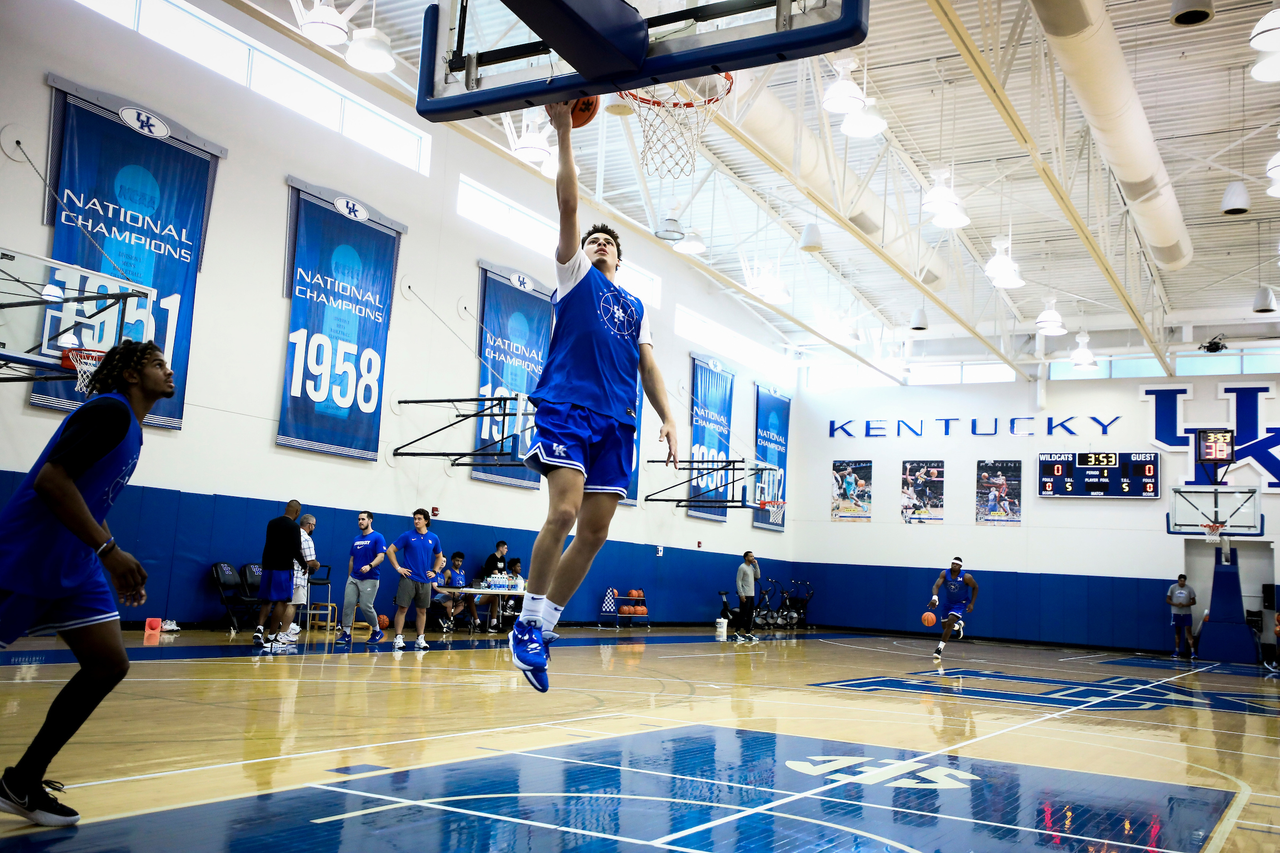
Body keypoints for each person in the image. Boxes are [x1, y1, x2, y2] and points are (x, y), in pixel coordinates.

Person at [509, 100, 677, 693]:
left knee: (597, 531)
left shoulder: (635, 307)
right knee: (562, 513)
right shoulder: (574, 275)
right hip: (569, 407)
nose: (600, 243)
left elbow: (648, 366)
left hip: (618, 423)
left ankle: (543, 628)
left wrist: (668, 419)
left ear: (620, 259)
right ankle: (524, 623)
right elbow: (569, 204)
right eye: (594, 240)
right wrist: (563, 131)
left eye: (609, 242)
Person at [0, 340, 172, 826]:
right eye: (157, 364)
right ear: (131, 375)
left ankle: (23, 781)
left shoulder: (133, 428)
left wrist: (112, 559)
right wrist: (109, 551)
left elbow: (89, 500)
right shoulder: (109, 412)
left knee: (108, 664)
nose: (168, 371)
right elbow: (51, 481)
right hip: (27, 558)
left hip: (76, 564)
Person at [386, 509, 443, 651]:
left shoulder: (434, 538)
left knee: (422, 611)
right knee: (402, 608)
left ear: (426, 521)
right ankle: (398, 638)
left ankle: (420, 639)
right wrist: (398, 568)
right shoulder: (407, 535)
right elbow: (390, 550)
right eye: (415, 518)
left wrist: (434, 571)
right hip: (408, 578)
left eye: (419, 519)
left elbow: (439, 556)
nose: (416, 521)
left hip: (425, 580)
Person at [254, 500, 306, 650]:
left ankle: (259, 628)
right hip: (283, 568)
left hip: (268, 566)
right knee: (282, 601)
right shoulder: (294, 527)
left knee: (267, 599)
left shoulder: (272, 523)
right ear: (297, 512)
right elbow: (296, 550)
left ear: (286, 508)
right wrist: (304, 565)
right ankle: (271, 637)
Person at [338, 511, 386, 645]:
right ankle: (346, 633)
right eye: (359, 519)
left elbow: (381, 556)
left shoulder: (378, 537)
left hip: (370, 578)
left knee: (365, 606)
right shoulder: (356, 539)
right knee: (348, 604)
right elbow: (352, 559)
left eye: (363, 519)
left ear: (370, 520)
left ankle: (376, 631)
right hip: (354, 578)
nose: (360, 522)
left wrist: (370, 566)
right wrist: (349, 577)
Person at [929, 557, 977, 660]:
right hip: (948, 602)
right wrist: (934, 598)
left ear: (960, 566)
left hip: (960, 603)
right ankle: (958, 627)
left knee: (950, 621)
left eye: (957, 564)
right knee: (946, 626)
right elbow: (936, 586)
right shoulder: (944, 574)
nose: (954, 565)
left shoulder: (966, 577)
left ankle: (939, 649)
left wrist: (972, 603)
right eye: (953, 563)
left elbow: (975, 587)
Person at [283, 514, 320, 642]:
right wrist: (317, 565)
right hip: (298, 575)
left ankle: (281, 630)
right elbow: (310, 561)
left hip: (283, 573)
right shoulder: (306, 538)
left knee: (282, 604)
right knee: (292, 604)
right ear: (310, 525)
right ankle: (284, 632)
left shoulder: (289, 534)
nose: (313, 528)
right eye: (314, 525)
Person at [1167, 573, 1197, 659]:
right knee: (1177, 631)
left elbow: (1194, 601)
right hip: (1176, 612)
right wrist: (1176, 604)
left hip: (1186, 613)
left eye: (1184, 581)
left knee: (1188, 631)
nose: (1182, 582)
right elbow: (1168, 600)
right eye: (1181, 581)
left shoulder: (1189, 589)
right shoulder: (1172, 587)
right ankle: (1177, 651)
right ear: (1178, 580)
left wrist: (1184, 605)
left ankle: (1193, 652)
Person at [735, 552, 761, 642]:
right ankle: (737, 633)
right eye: (751, 556)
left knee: (750, 614)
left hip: (751, 594)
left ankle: (748, 633)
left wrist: (756, 565)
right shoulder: (742, 567)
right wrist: (741, 594)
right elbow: (738, 581)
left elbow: (757, 576)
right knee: (743, 614)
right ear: (746, 558)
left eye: (753, 556)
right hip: (745, 594)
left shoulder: (751, 567)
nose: (753, 557)